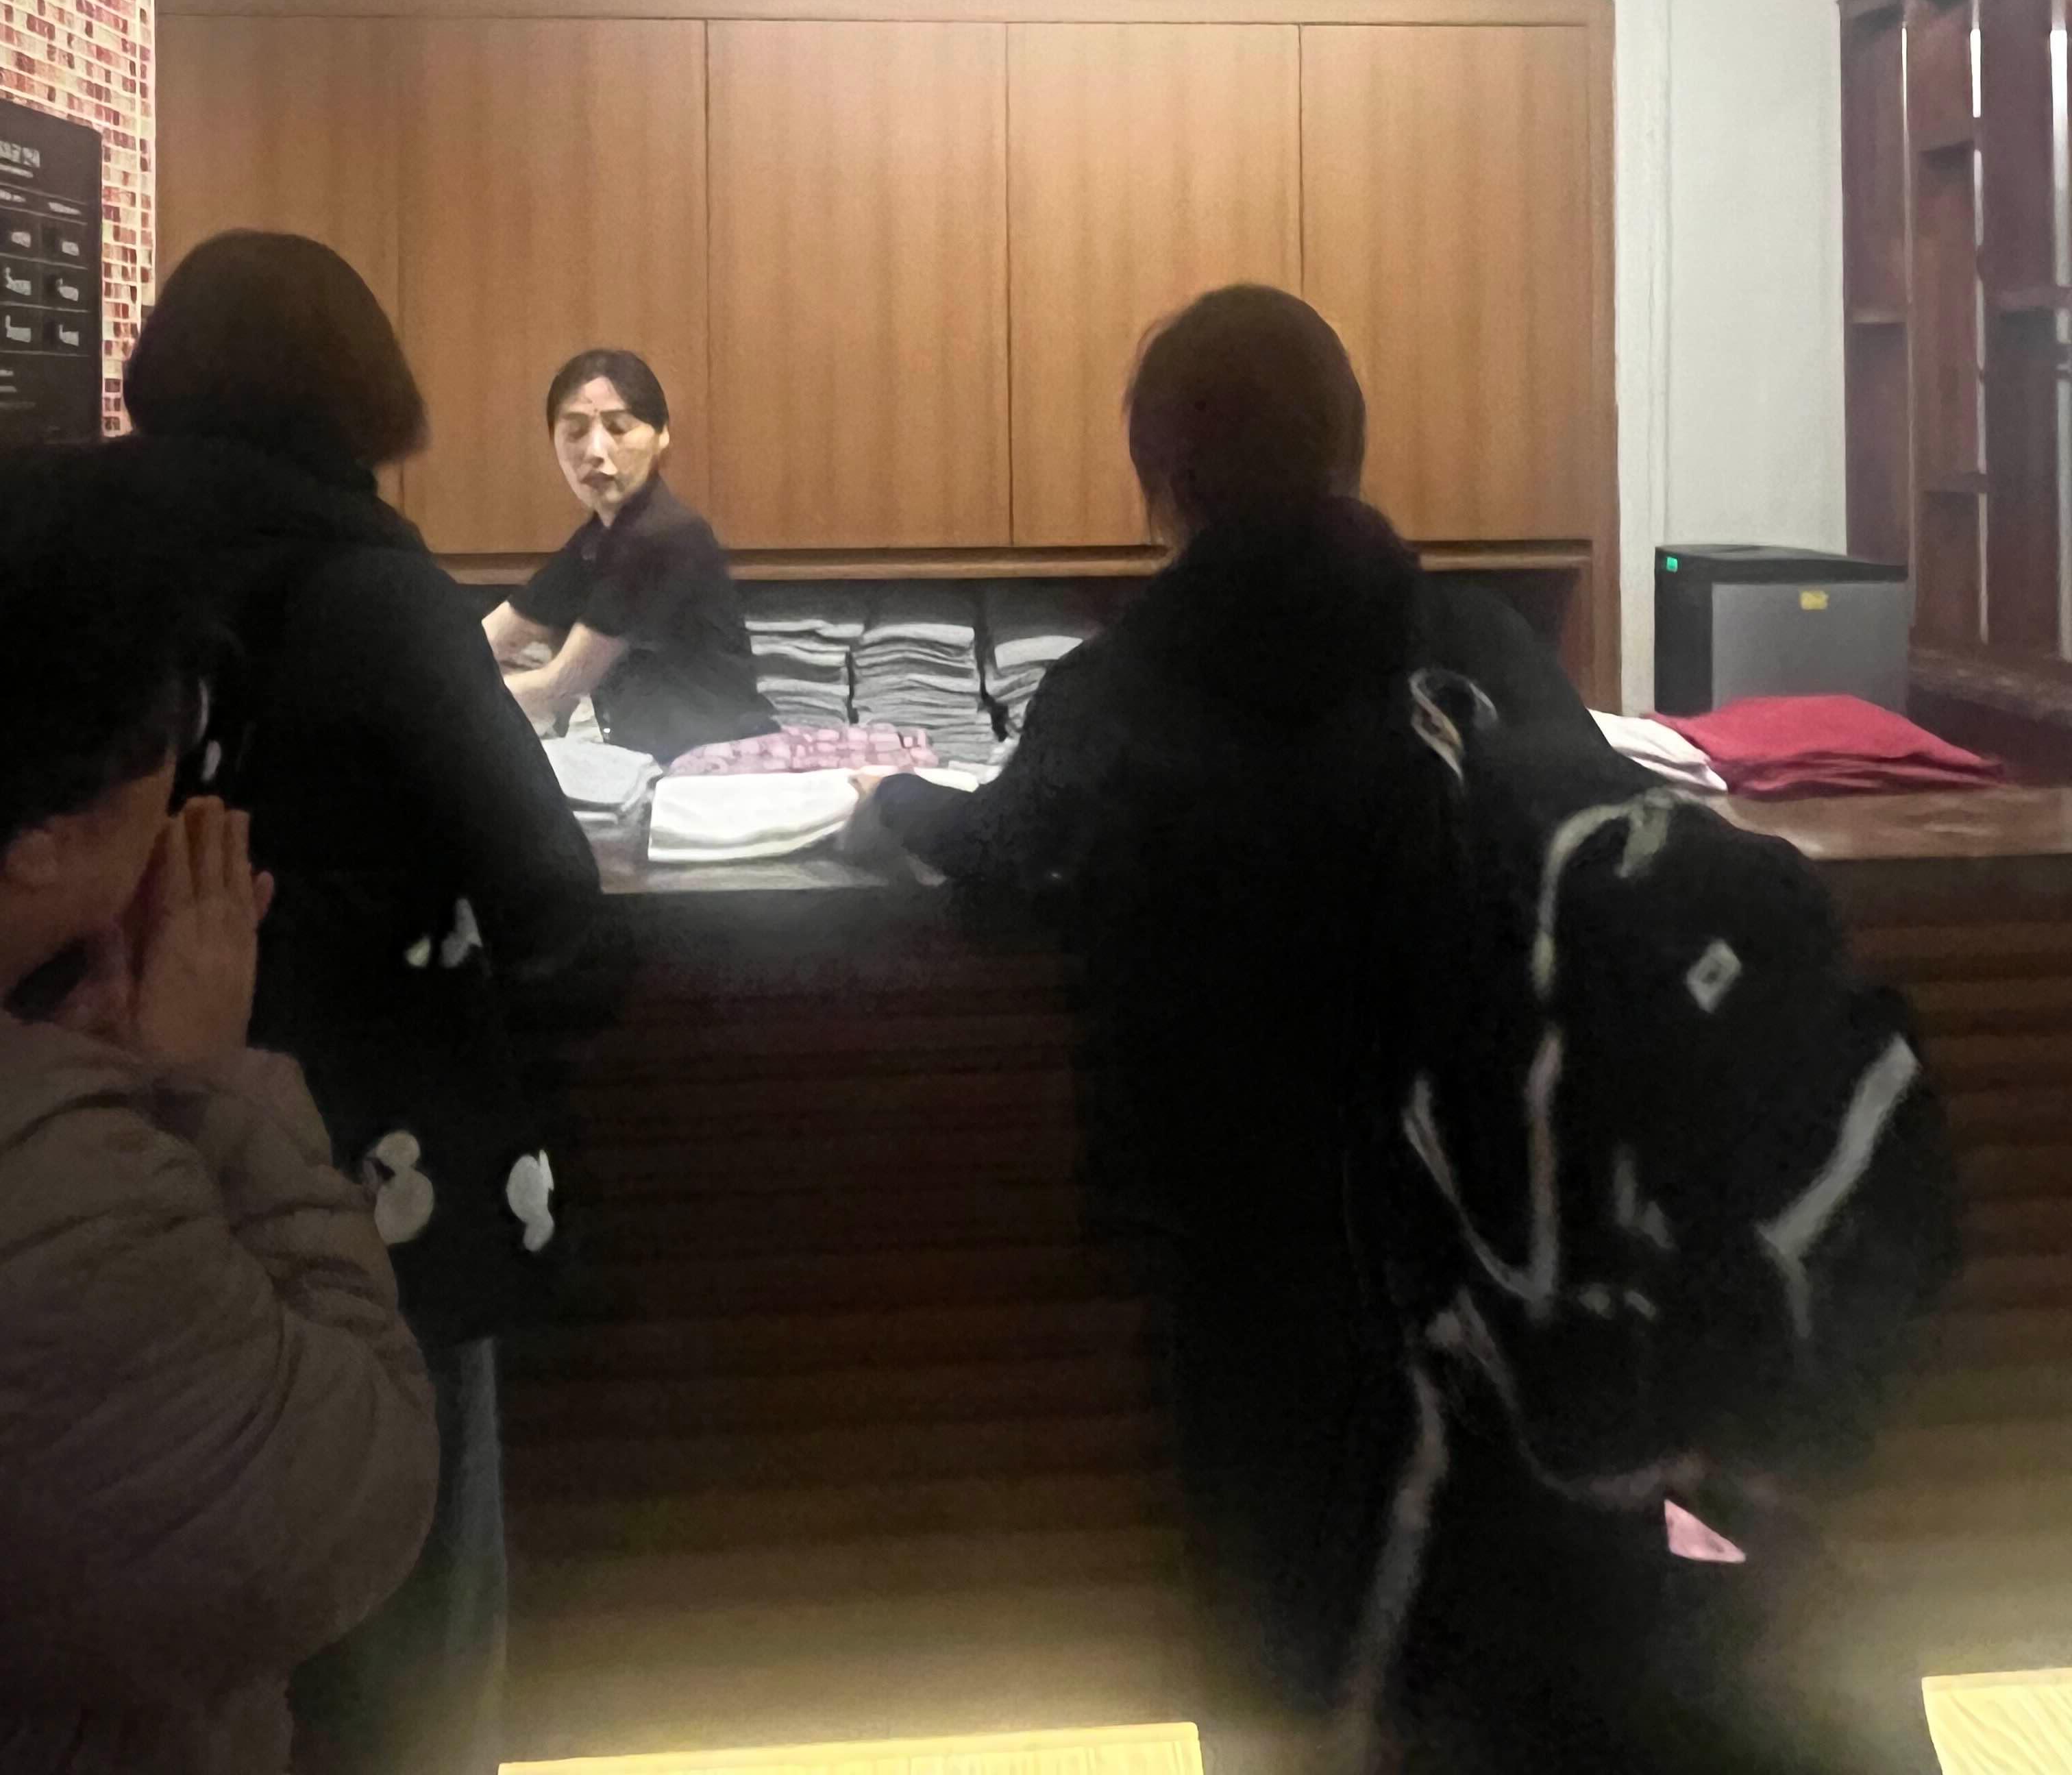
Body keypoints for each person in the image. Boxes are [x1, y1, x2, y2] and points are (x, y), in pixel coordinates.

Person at [871, 286, 1952, 1772]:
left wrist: (887, 795)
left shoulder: (1119, 683)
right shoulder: (1476, 642)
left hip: (1257, 1270)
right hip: (1491, 1256)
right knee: (1495, 1643)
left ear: (1163, 478)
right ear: (1348, 449)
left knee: (1283, 1653)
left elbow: (1004, 859)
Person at [116, 230, 603, 1775]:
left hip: (100, 1147)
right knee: (412, 1627)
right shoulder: (372, 588)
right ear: (363, 394)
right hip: (374, 1168)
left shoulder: (74, 555)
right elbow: (552, 897)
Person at [0, 443, 439, 1774]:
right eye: (171, 737)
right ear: (40, 836)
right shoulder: (62, 1186)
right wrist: (200, 1089)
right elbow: (339, 1500)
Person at [483, 348, 773, 762]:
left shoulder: (664, 536)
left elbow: (559, 687)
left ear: (662, 435)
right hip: (657, 757)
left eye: (618, 428)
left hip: (715, 764)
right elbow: (496, 636)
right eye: (575, 432)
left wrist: (440, 702)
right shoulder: (601, 535)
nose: (594, 451)